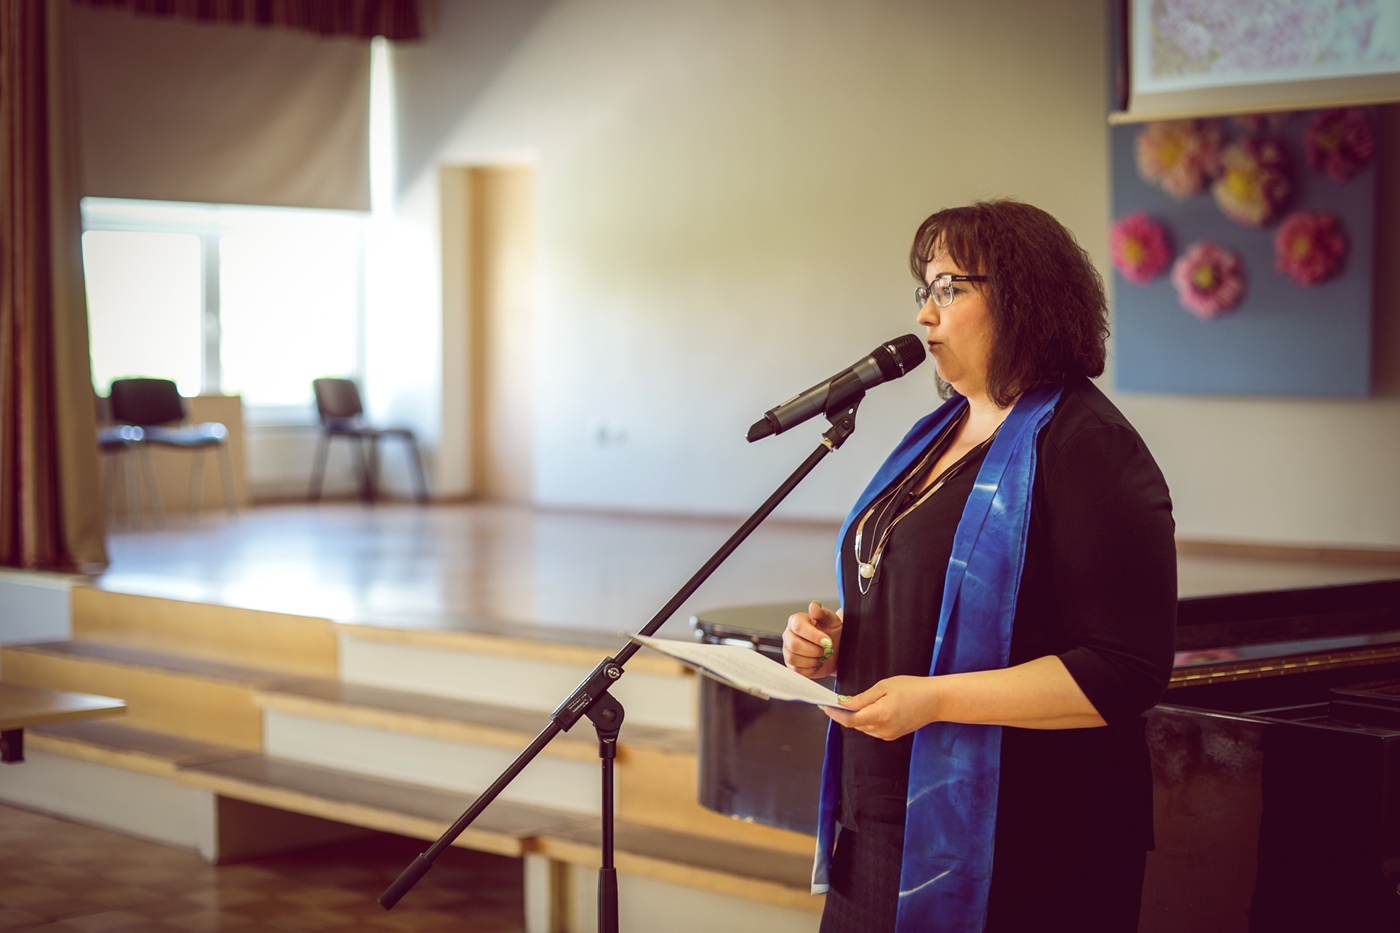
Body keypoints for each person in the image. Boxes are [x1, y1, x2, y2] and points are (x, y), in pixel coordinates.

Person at [783, 200, 1177, 933]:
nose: (924, 314)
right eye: (924, 289)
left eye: (949, 288)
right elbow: (917, 590)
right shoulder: (934, 434)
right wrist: (841, 640)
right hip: (882, 819)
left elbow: (1126, 669)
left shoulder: (1087, 445)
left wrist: (936, 699)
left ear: (1024, 298)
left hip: (1029, 847)